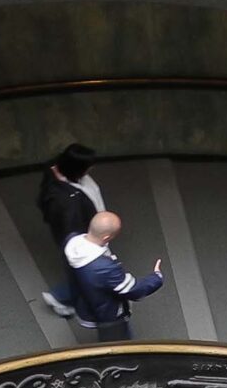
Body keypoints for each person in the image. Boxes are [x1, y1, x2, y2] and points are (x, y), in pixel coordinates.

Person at [64, 211, 164, 342]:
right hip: (108, 313)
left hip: (85, 301)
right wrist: (156, 277)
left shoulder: (71, 242)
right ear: (106, 237)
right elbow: (132, 289)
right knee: (119, 342)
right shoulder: (104, 267)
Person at [34, 142, 102, 318]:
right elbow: (73, 228)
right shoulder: (67, 202)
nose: (92, 168)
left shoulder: (56, 172)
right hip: (79, 237)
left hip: (72, 233)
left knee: (80, 272)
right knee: (82, 272)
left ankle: (63, 297)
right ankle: (60, 298)